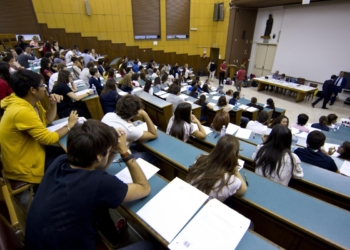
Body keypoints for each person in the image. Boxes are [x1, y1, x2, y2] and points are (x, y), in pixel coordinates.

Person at [25, 120, 153, 249]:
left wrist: (111, 147)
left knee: (100, 206)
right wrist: (124, 151)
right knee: (149, 246)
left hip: (37, 243)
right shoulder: (101, 184)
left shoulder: (60, 161)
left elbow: (98, 167)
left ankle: (113, 237)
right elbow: (144, 188)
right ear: (98, 156)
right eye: (108, 151)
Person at [0, 69, 78, 184]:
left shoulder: (29, 101)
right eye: (42, 85)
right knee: (73, 162)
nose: (45, 88)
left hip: (34, 151)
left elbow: (47, 119)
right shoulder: (21, 110)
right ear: (32, 90)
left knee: (70, 152)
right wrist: (69, 125)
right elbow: (47, 139)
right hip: (25, 167)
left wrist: (53, 104)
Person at [187, 135, 247, 201]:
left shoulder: (200, 158)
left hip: (189, 196)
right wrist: (235, 168)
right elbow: (243, 189)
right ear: (235, 155)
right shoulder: (232, 181)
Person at [101, 95, 158, 164]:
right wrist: (145, 114)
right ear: (135, 113)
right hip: (117, 157)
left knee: (137, 145)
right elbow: (154, 134)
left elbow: (127, 123)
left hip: (106, 151)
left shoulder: (108, 115)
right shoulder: (129, 129)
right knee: (153, 155)